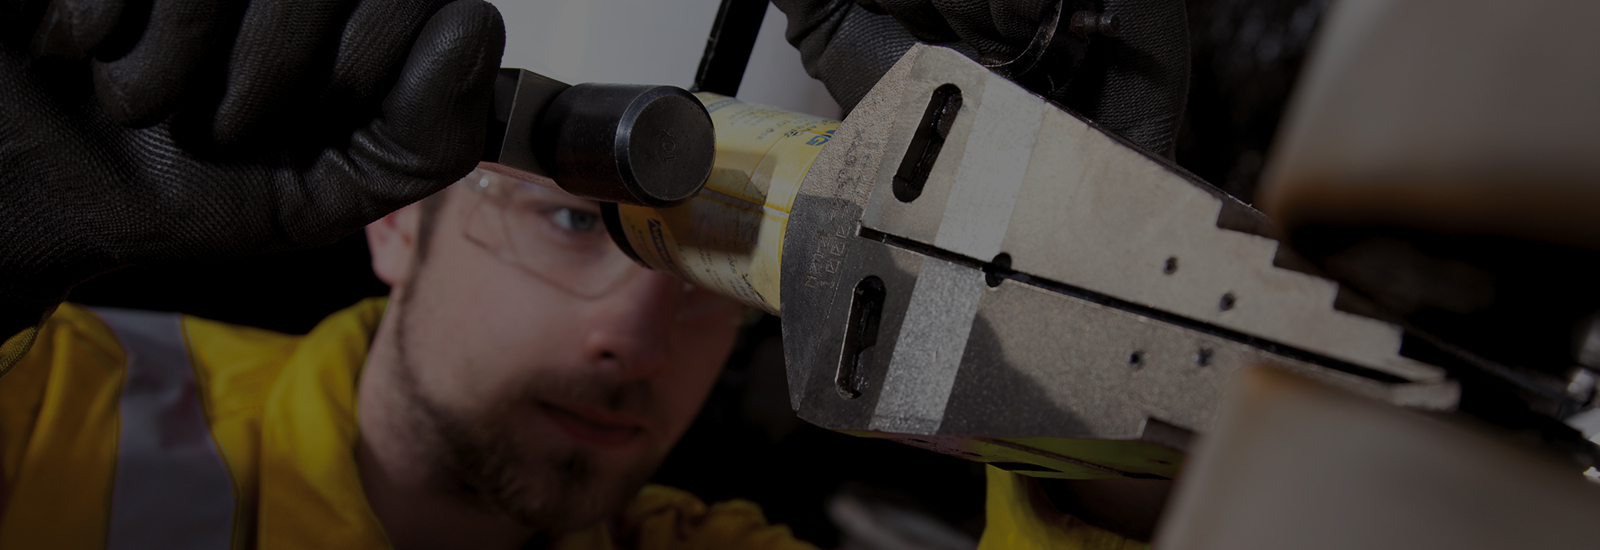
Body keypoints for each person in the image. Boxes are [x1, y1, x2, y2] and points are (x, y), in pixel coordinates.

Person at [0, 168, 821, 549]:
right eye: (574, 221)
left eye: (723, 265)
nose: (639, 344)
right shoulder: (48, 401)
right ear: (398, 218)